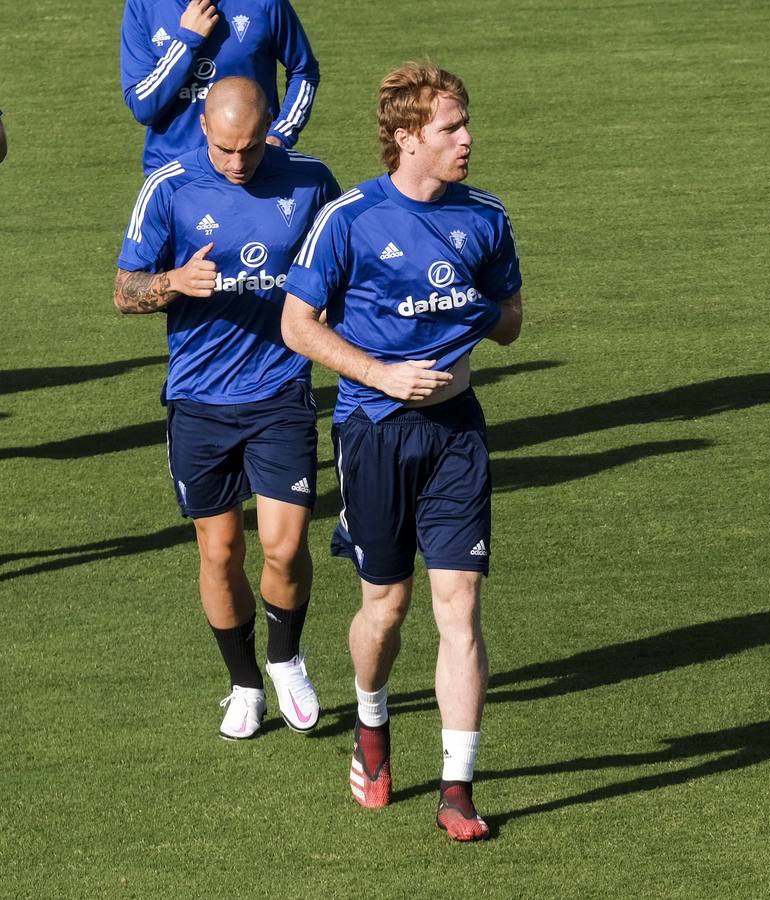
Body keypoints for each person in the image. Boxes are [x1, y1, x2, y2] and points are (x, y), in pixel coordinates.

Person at [281, 60, 523, 842]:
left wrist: (471, 307)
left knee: (461, 608)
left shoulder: (484, 216)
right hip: (374, 435)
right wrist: (381, 371)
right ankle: (374, 722)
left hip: (458, 435)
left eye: (465, 123)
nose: (467, 139)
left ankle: (458, 786)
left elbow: (510, 319)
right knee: (385, 609)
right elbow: (297, 324)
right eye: (452, 128)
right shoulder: (349, 218)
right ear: (407, 139)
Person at [114, 76, 340, 740]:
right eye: (224, 150)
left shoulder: (310, 179)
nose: (237, 163)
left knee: (285, 544)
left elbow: (342, 260)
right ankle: (243, 683)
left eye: (248, 149)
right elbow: (123, 290)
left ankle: (285, 657)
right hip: (198, 401)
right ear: (203, 128)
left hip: (279, 394)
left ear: (268, 126)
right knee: (219, 553)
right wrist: (173, 282)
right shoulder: (169, 187)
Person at [120, 0, 319, 173]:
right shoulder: (142, 5)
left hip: (249, 167)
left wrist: (281, 134)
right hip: (176, 174)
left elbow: (303, 70)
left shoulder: (265, 3)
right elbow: (143, 106)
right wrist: (187, 41)